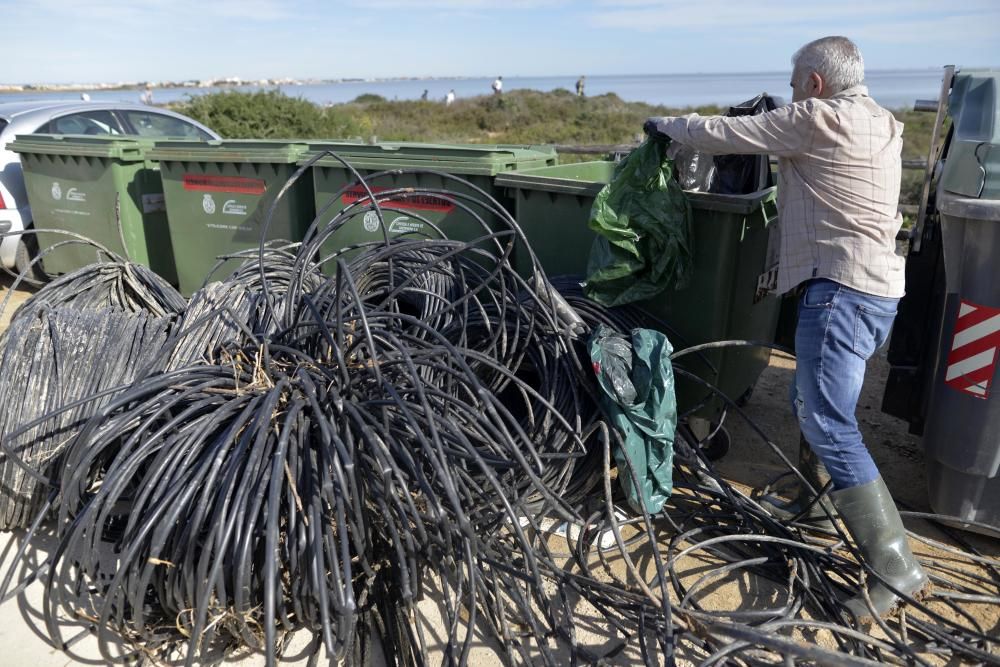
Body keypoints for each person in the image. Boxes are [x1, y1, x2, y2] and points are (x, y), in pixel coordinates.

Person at [645, 36, 927, 621]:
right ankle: (821, 503)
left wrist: (664, 124)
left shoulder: (818, 118)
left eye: (797, 82)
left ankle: (894, 563)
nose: (792, 92)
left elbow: (723, 136)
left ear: (816, 83)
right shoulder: (883, 122)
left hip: (841, 291)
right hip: (879, 293)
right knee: (810, 399)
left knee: (827, 417)